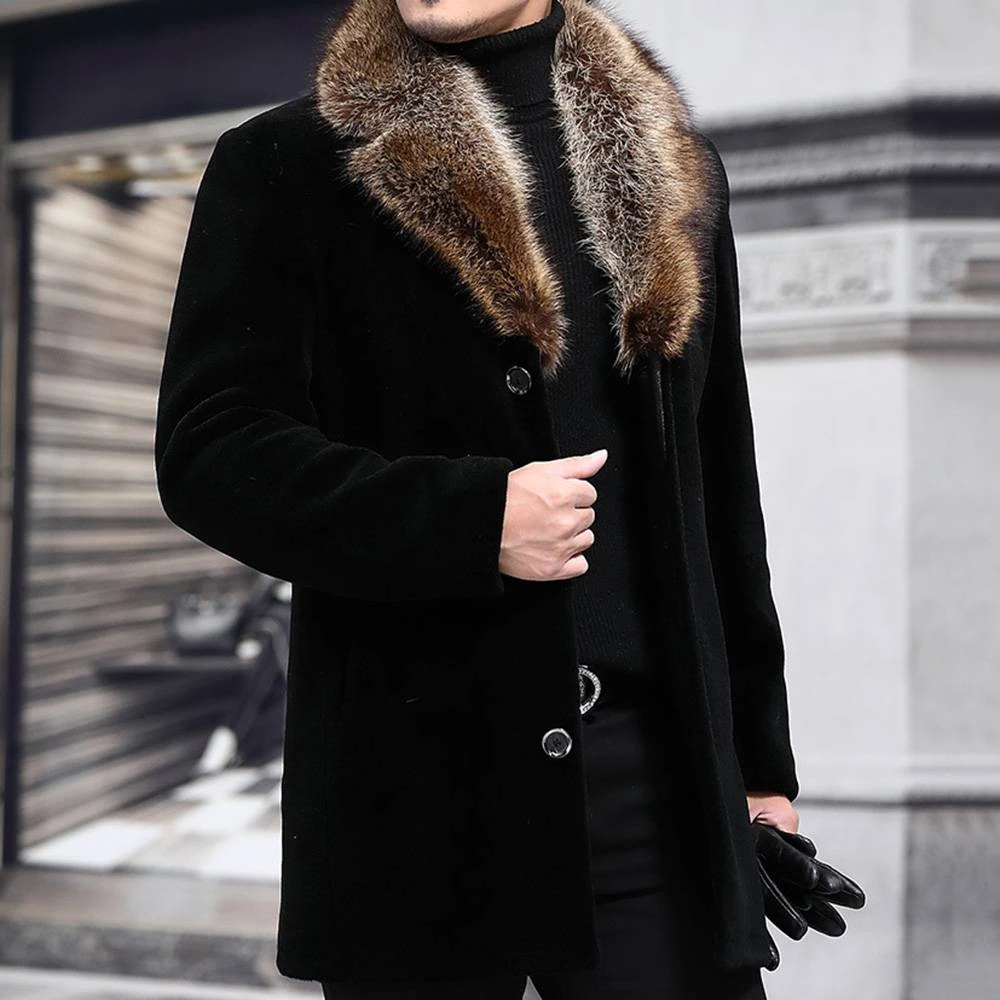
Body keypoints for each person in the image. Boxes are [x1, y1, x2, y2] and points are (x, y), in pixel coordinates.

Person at [155, 0, 801, 997]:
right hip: (417, 799)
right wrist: (466, 519)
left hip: (655, 791)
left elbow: (716, 480)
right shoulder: (286, 162)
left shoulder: (677, 166)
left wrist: (757, 767)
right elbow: (210, 450)